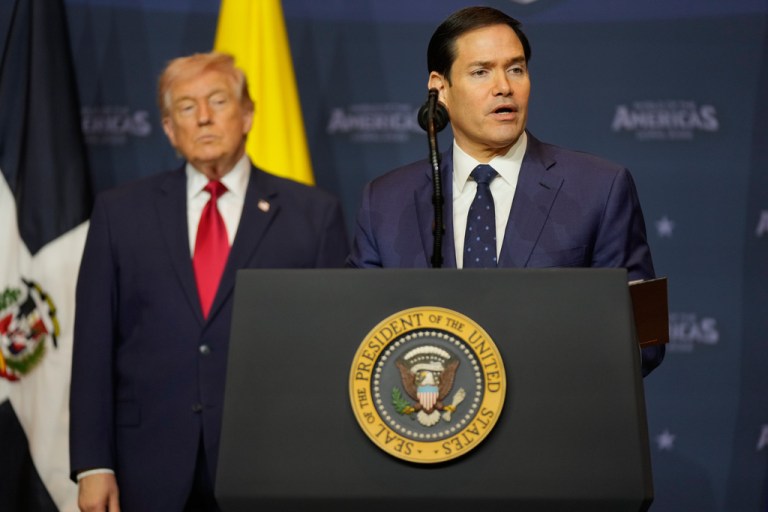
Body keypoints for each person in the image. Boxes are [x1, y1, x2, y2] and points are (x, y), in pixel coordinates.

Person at [69, 52, 349, 511]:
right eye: (185, 107)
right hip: (146, 465)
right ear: (167, 128)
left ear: (247, 114)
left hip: (272, 464)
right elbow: (93, 347)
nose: (202, 117)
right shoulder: (120, 213)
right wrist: (93, 465)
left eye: (217, 101)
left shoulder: (313, 215)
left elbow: (330, 351)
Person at [346, 6, 664, 376]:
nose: (504, 87)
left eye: (516, 69)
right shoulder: (385, 201)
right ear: (440, 88)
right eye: (481, 71)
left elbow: (646, 337)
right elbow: (356, 335)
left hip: (553, 422)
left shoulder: (600, 187)